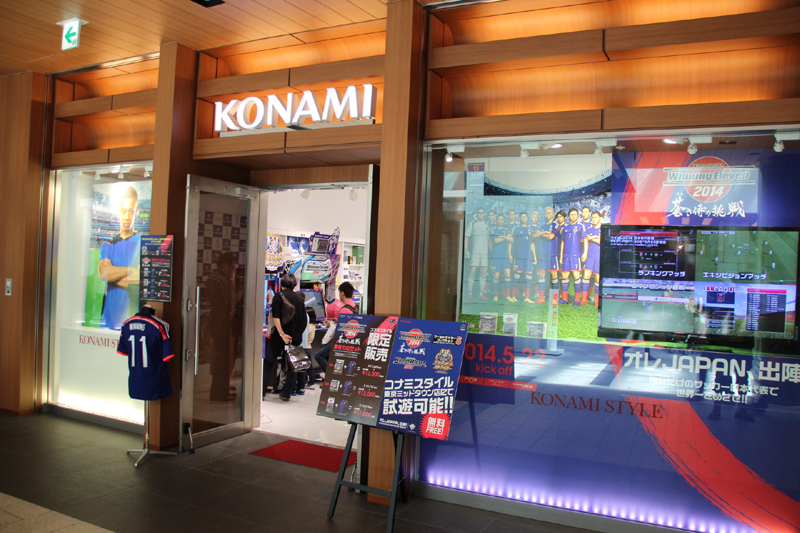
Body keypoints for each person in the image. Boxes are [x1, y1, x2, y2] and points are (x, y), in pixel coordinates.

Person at [98, 186, 141, 330]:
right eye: (123, 211)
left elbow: (140, 281)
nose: (127, 216)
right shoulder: (108, 245)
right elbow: (104, 273)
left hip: (132, 322)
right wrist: (130, 270)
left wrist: (113, 276)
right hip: (108, 321)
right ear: (118, 210)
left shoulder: (142, 244)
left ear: (136, 210)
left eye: (131, 211)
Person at [272, 273, 308, 402]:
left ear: (282, 283)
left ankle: (266, 390)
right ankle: (287, 393)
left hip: (280, 336)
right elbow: (303, 320)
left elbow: (276, 317)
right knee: (293, 365)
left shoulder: (279, 296)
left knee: (271, 361)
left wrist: (282, 334)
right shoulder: (299, 299)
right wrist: (296, 335)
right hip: (294, 337)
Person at [206, 252, 236, 402]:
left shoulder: (211, 277)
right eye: (232, 268)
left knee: (219, 359)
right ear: (224, 266)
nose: (232, 272)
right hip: (222, 324)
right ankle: (219, 393)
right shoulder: (223, 281)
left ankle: (220, 389)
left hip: (213, 322)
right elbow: (232, 302)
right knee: (223, 360)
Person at [559, 208, 588, 306]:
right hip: (566, 256)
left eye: (575, 214)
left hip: (575, 256)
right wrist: (561, 256)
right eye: (572, 214)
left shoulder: (580, 226)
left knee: (576, 277)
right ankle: (565, 299)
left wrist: (585, 253)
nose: (573, 216)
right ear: (569, 216)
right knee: (564, 276)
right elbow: (562, 243)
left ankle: (577, 300)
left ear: (578, 216)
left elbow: (585, 240)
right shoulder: (566, 228)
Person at [464, 208, 491, 300]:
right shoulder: (472, 224)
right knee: (473, 270)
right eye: (479, 213)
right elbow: (466, 236)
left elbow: (489, 240)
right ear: (476, 214)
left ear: (484, 214)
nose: (481, 214)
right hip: (475, 251)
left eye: (482, 213)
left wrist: (491, 253)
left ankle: (481, 294)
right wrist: (466, 249)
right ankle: (470, 293)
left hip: (484, 252)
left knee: (484, 271)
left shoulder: (487, 225)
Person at [511, 212, 537, 303]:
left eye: (525, 217)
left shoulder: (529, 230)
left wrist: (534, 257)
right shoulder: (516, 229)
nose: (523, 219)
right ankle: (513, 296)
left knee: (528, 277)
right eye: (522, 217)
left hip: (528, 257)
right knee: (516, 276)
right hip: (519, 256)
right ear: (519, 218)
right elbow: (511, 242)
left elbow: (532, 244)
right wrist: (511, 255)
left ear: (527, 218)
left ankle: (527, 298)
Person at [489, 214, 513, 302]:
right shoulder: (493, 229)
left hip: (505, 256)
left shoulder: (506, 230)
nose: (500, 221)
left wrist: (502, 236)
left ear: (504, 221)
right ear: (496, 220)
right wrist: (506, 237)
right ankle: (496, 296)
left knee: (508, 274)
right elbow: (496, 240)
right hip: (496, 256)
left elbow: (512, 240)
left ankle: (507, 296)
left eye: (502, 219)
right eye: (499, 219)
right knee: (496, 275)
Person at [581, 211, 602, 306]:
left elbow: (601, 241)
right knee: (586, 276)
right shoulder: (589, 229)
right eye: (593, 217)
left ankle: (596, 300)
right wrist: (596, 237)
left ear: (600, 218)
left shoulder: (602, 229)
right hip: (590, 255)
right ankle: (584, 299)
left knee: (598, 278)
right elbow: (585, 240)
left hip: (599, 256)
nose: (594, 219)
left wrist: (591, 237)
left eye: (596, 217)